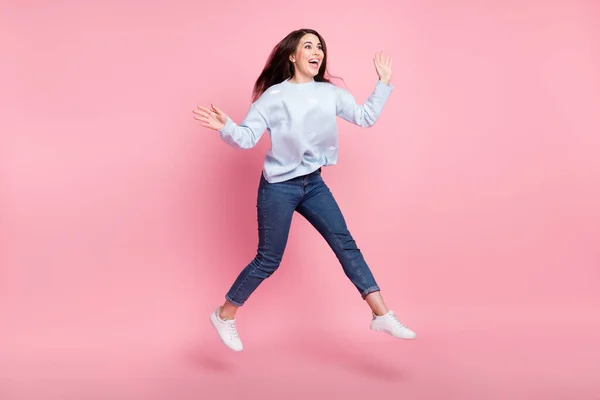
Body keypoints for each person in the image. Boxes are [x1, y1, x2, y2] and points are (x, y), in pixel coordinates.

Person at [193, 28, 416, 352]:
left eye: (320, 47)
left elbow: (365, 117)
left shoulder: (330, 93)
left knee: (345, 244)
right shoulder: (273, 98)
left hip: (313, 183)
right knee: (269, 259)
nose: (317, 52)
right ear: (292, 55)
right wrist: (225, 126)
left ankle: (382, 314)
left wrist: (382, 84)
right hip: (278, 187)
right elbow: (245, 138)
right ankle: (224, 315)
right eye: (308, 46)